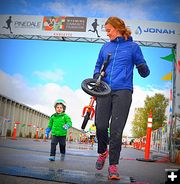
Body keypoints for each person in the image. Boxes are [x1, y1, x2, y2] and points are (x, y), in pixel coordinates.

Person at [93, 16, 150, 180]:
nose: (107, 34)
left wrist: (142, 67)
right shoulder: (105, 47)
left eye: (109, 30)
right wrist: (97, 74)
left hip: (123, 91)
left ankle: (113, 166)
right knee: (101, 125)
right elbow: (97, 66)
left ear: (118, 28)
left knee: (116, 130)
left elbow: (145, 72)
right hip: (104, 89)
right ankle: (102, 151)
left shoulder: (133, 47)